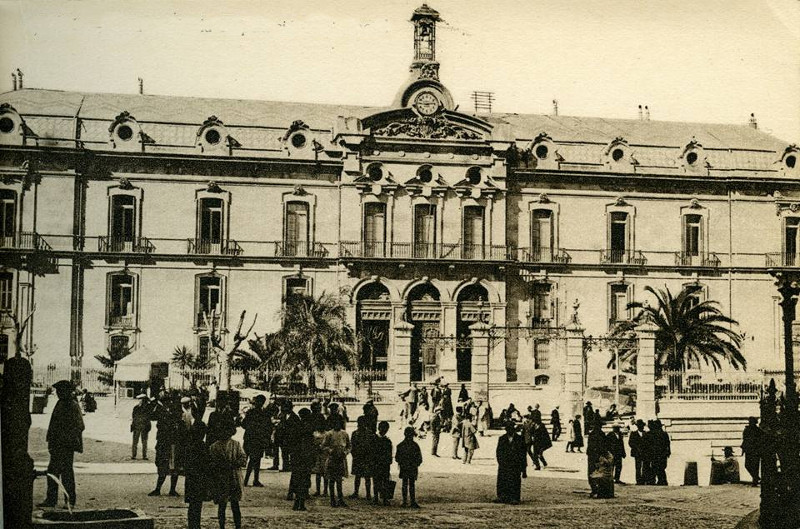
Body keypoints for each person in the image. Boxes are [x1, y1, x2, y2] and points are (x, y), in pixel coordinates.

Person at [39, 380, 84, 508]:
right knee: (52, 472)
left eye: (60, 391)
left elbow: (80, 425)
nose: (58, 393)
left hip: (65, 446)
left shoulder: (72, 405)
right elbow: (53, 425)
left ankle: (70, 501)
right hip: (56, 445)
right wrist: (51, 441)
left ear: (66, 391)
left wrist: (67, 439)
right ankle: (51, 500)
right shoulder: (61, 403)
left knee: (66, 474)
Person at [209, 426, 246, 529]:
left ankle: (237, 526)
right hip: (222, 478)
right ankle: (222, 526)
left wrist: (233, 464)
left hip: (233, 477)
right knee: (223, 505)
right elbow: (211, 463)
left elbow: (243, 459)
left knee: (234, 505)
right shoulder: (214, 446)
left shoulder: (236, 444)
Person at [183, 400, 211, 529]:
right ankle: (196, 525)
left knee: (192, 504)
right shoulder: (204, 447)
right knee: (197, 504)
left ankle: (192, 525)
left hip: (191, 478)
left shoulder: (190, 446)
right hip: (201, 478)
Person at [149, 394, 180, 496]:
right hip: (168, 443)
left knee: (168, 466)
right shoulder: (165, 411)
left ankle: (162, 489)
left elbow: (152, 417)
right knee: (168, 466)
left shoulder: (168, 412)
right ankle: (168, 489)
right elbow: (152, 416)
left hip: (168, 443)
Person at [290, 408, 316, 511]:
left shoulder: (296, 427)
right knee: (304, 479)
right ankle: (301, 502)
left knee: (297, 478)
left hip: (297, 456)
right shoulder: (309, 427)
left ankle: (297, 501)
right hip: (305, 456)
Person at [240, 395, 270, 487]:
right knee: (255, 460)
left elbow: (244, 425)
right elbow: (268, 427)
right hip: (258, 439)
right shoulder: (264, 414)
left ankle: (248, 480)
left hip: (250, 438)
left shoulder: (250, 412)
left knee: (252, 459)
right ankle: (252, 480)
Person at [322, 414, 350, 507]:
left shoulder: (344, 434)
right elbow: (323, 446)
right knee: (331, 480)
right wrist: (330, 450)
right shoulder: (329, 434)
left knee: (339, 480)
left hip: (341, 459)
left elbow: (349, 446)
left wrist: (345, 452)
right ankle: (332, 499)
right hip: (332, 459)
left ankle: (340, 499)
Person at [495, 423, 527, 504]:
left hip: (515, 464)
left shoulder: (520, 439)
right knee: (503, 481)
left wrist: (523, 469)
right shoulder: (502, 438)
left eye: (510, 429)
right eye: (507, 429)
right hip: (504, 464)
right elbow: (499, 452)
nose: (509, 431)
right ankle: (502, 496)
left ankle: (514, 498)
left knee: (515, 481)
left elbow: (523, 454)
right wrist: (501, 462)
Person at [395, 426, 423, 508]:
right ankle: (412, 501)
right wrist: (416, 464)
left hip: (404, 467)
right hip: (412, 467)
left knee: (404, 484)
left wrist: (402, 462)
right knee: (412, 484)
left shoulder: (400, 445)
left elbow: (397, 458)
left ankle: (404, 501)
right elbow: (419, 458)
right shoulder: (415, 446)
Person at [350, 416, 376, 499]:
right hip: (358, 456)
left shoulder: (369, 434)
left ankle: (368, 493)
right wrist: (354, 454)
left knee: (367, 476)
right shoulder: (355, 433)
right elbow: (352, 446)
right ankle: (356, 492)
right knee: (358, 476)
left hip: (366, 457)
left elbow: (372, 446)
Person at [372, 421, 393, 506]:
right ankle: (377, 497)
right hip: (378, 463)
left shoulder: (385, 440)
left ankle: (383, 498)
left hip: (383, 463)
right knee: (377, 481)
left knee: (383, 481)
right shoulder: (383, 440)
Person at [587, 420, 610, 498]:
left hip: (594, 457)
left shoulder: (593, 434)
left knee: (593, 473)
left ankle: (595, 490)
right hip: (598, 457)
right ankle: (597, 490)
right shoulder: (601, 434)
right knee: (598, 473)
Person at [741, 416, 763, 487]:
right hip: (749, 450)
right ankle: (756, 477)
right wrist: (743, 449)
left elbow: (761, 440)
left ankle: (755, 481)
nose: (750, 423)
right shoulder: (747, 430)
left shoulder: (758, 430)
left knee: (755, 466)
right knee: (747, 465)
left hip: (756, 450)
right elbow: (744, 440)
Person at [130, 394, 152, 460]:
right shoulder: (147, 408)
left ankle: (134, 455)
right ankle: (143, 456)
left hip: (139, 426)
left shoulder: (136, 407)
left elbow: (133, 417)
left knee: (136, 441)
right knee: (143, 442)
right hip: (142, 426)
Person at [650, 420, 671, 486]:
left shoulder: (653, 434)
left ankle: (655, 480)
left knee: (655, 467)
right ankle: (662, 481)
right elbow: (668, 444)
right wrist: (668, 452)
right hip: (662, 454)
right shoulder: (664, 434)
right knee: (661, 467)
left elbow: (651, 444)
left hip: (656, 453)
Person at [628, 419, 646, 485]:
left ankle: (643, 479)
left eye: (642, 426)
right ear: (638, 426)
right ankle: (638, 480)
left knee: (644, 466)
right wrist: (636, 448)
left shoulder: (645, 433)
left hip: (644, 452)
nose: (642, 427)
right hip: (637, 453)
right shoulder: (633, 433)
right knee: (638, 467)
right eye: (640, 426)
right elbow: (630, 443)